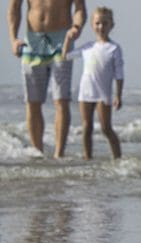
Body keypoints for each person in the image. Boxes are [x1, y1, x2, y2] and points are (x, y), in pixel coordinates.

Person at [7, 0, 86, 157]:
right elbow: (14, 7)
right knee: (32, 102)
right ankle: (38, 152)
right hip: (33, 41)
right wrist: (13, 39)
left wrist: (76, 27)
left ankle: (59, 154)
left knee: (61, 100)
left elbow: (80, 8)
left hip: (62, 40)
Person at [63, 6, 123, 159]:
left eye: (105, 23)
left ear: (112, 25)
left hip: (103, 94)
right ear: (92, 25)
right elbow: (66, 56)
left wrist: (118, 95)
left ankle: (118, 158)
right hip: (86, 93)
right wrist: (68, 38)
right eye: (97, 23)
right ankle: (87, 157)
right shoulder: (88, 47)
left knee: (105, 128)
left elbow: (119, 74)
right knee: (86, 127)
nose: (101, 27)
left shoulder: (114, 48)